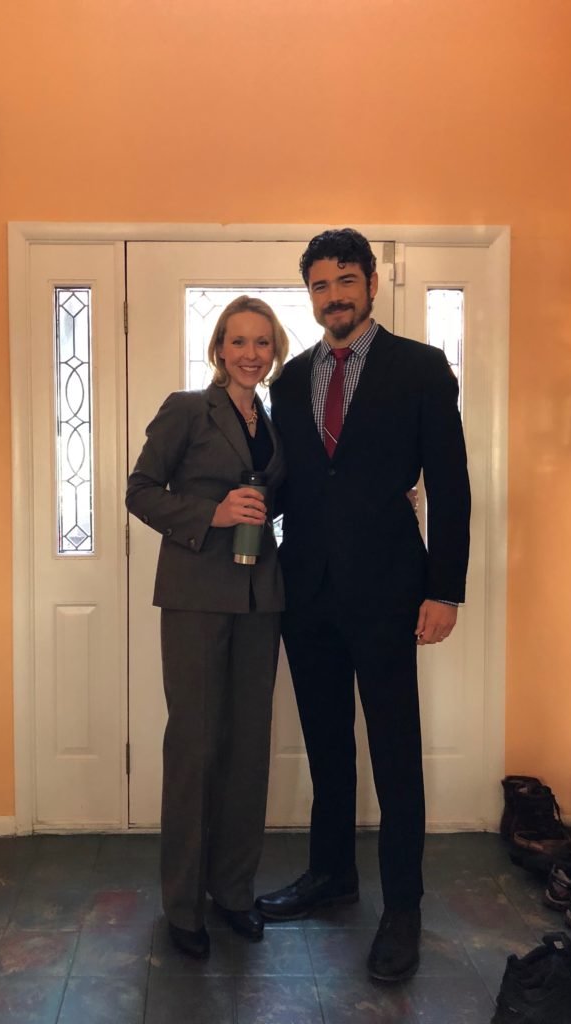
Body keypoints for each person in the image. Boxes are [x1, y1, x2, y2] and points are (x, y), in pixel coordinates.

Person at [256, 228, 471, 982]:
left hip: (389, 593)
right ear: (308, 295)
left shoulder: (420, 368)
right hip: (306, 594)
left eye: (346, 280)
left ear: (372, 284)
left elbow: (450, 484)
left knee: (394, 751)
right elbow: (285, 483)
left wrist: (444, 588)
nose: (334, 296)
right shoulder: (287, 383)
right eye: (319, 285)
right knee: (327, 744)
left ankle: (402, 907)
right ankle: (331, 874)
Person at [126, 296, 288, 959]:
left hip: (261, 598)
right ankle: (184, 905)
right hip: (195, 595)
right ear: (218, 348)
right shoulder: (188, 409)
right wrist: (211, 515)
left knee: (249, 747)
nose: (250, 353)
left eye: (261, 342)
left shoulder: (272, 422)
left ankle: (234, 892)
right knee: (195, 747)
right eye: (237, 341)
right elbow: (139, 490)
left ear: (273, 350)